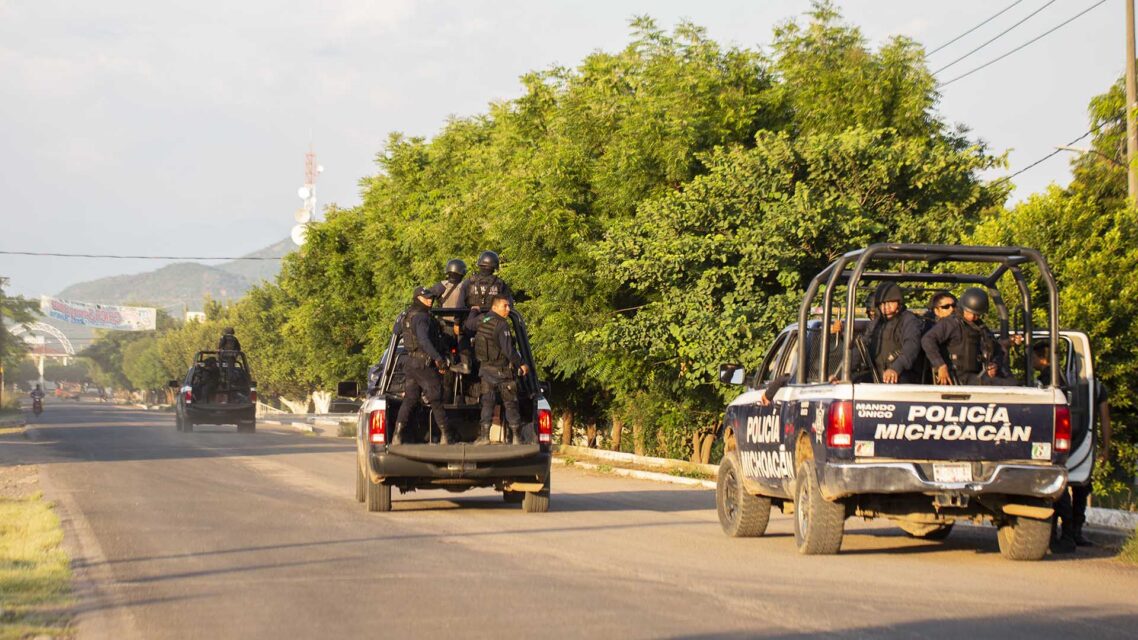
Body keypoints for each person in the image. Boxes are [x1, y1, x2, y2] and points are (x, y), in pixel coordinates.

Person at [393, 286, 455, 445]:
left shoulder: (407, 315)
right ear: (417, 298)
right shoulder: (422, 317)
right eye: (426, 297)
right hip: (423, 363)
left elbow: (396, 330)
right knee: (436, 398)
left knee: (410, 399)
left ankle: (397, 436)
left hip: (411, 363)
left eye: (430, 297)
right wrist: (438, 358)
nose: (430, 300)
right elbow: (423, 340)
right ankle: (446, 436)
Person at [466, 295, 528, 445]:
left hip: (486, 371)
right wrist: (521, 364)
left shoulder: (482, 320)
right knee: (510, 403)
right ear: (495, 307)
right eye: (505, 306)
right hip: (502, 372)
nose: (508, 309)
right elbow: (508, 350)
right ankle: (517, 438)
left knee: (487, 403)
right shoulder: (502, 325)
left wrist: (474, 311)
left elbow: (468, 325)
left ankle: (484, 437)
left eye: (508, 306)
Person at [921, 287, 1012, 386]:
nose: (974, 317)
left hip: (976, 375)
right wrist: (940, 365)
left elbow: (996, 348)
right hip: (957, 376)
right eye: (970, 313)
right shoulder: (950, 323)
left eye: (977, 315)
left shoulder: (980, 327)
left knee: (1012, 383)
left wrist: (993, 364)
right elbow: (927, 340)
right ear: (964, 308)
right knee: (1008, 386)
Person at [863, 282, 923, 384]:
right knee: (854, 380)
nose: (886, 306)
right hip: (877, 372)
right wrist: (841, 374)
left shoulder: (909, 320)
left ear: (899, 303)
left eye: (890, 302)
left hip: (902, 373)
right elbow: (862, 345)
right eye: (882, 304)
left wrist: (896, 368)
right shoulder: (876, 323)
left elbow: (911, 346)